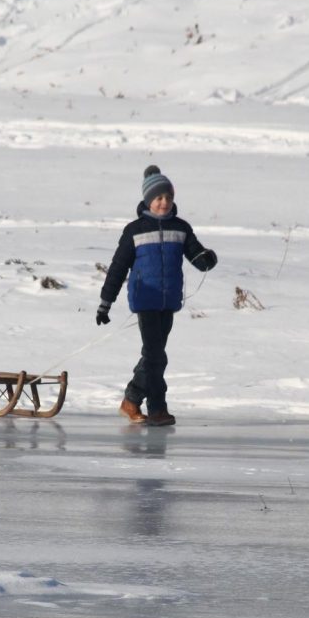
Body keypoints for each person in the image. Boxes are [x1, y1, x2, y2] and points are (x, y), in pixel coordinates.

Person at [96, 165, 217, 426]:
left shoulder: (180, 228)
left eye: (168, 198)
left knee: (154, 354)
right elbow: (117, 268)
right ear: (148, 200)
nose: (164, 203)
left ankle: (131, 399)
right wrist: (105, 304)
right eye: (159, 198)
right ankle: (157, 408)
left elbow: (196, 255)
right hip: (146, 300)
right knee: (155, 355)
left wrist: (207, 259)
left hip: (169, 301)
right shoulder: (135, 230)